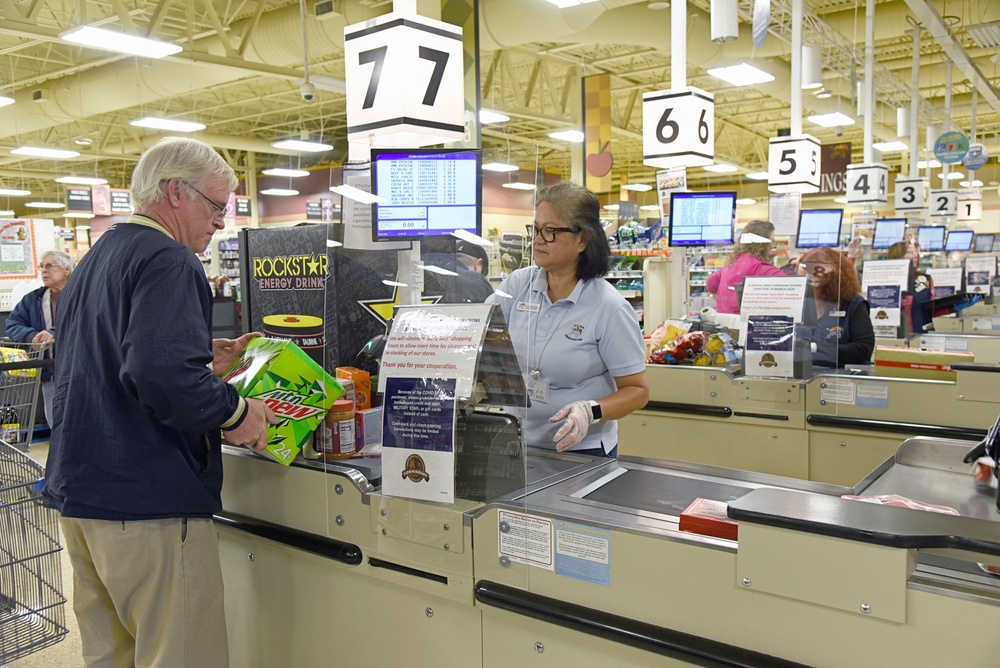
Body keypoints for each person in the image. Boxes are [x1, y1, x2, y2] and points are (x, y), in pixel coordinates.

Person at [44, 137, 277, 667]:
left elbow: (110, 361)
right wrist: (235, 412)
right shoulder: (169, 260)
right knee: (181, 654)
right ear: (176, 192)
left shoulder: (97, 258)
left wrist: (198, 362)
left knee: (112, 655)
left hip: (82, 495)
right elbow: (157, 373)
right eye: (216, 206)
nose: (221, 222)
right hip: (147, 504)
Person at [487, 181, 649, 457]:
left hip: (581, 451)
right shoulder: (517, 285)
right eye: (536, 229)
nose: (538, 239)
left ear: (582, 240)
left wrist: (591, 410)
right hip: (515, 442)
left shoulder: (609, 307)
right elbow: (479, 331)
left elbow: (637, 391)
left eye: (551, 231)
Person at [5, 249, 75, 427]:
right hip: (49, 374)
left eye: (50, 266)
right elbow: (13, 324)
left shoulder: (83, 294)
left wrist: (54, 333)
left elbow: (86, 321)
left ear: (67, 269)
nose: (44, 271)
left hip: (79, 373)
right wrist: (31, 336)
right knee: (55, 425)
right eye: (41, 266)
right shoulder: (33, 299)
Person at [796, 246, 876, 368]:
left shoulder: (852, 304)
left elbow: (863, 349)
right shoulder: (800, 302)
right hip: (802, 376)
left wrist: (816, 348)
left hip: (843, 377)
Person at [706, 220, 784, 314]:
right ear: (763, 243)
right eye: (772, 241)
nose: (772, 246)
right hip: (748, 325)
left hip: (724, 323)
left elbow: (710, 283)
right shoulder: (761, 268)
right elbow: (789, 285)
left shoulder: (731, 264)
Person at [886, 237, 934, 334]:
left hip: (922, 336)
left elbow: (933, 308)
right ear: (897, 256)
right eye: (910, 252)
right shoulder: (885, 281)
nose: (915, 256)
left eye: (916, 252)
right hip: (893, 336)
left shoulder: (925, 280)